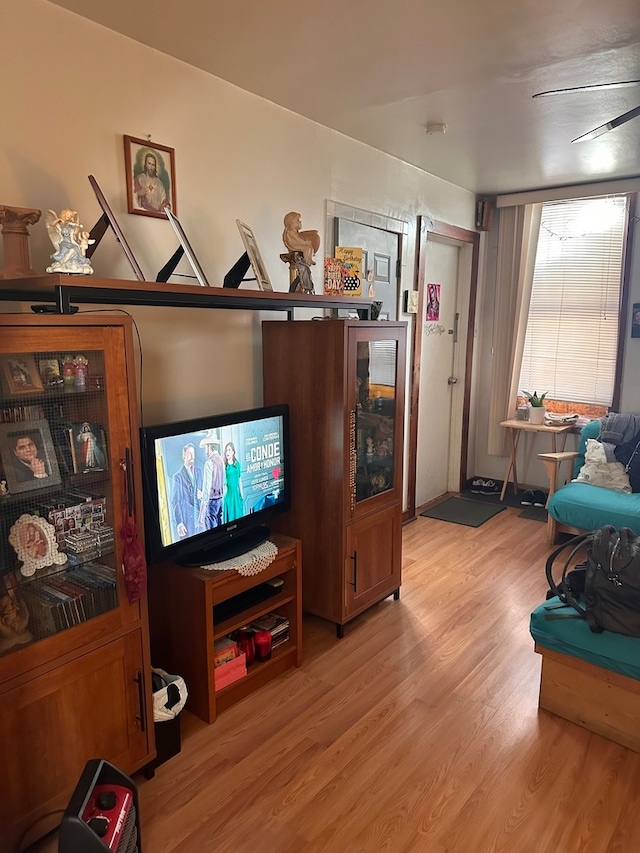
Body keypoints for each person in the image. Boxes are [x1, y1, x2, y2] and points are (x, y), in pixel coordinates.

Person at [171, 443, 203, 539]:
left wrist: (202, 495)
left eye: (193, 453)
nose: (192, 456)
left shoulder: (199, 471)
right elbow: (175, 501)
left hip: (201, 520)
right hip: (188, 522)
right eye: (189, 454)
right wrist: (180, 523)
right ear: (183, 456)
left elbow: (205, 493)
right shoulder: (177, 477)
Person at [198, 431, 225, 530]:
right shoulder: (221, 460)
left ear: (209, 446)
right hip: (221, 500)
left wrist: (201, 514)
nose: (205, 450)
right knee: (220, 528)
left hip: (212, 502)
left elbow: (206, 489)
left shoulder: (209, 462)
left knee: (211, 534)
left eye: (206, 447)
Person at [222, 441, 244, 523]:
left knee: (238, 517)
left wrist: (242, 495)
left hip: (236, 494)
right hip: (228, 495)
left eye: (229, 450)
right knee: (230, 519)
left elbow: (239, 480)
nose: (227, 452)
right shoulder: (224, 465)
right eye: (226, 450)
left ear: (233, 452)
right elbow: (223, 482)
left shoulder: (237, 464)